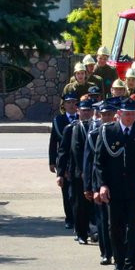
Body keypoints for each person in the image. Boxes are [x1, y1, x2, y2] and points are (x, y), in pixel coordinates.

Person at [95, 99, 135, 270]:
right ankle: (119, 263)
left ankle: (131, 266)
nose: (129, 117)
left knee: (134, 228)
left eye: (132, 114)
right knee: (116, 227)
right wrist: (102, 184)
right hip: (114, 189)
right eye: (126, 114)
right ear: (119, 114)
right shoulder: (108, 131)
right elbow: (99, 162)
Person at [56, 98, 96, 245]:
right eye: (84, 110)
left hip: (93, 173)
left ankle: (94, 230)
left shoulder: (96, 128)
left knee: (93, 204)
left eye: (89, 110)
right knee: (78, 205)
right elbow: (63, 152)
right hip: (76, 174)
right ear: (78, 111)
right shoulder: (71, 128)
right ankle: (81, 233)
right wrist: (60, 173)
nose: (86, 113)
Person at [85, 99, 118, 266]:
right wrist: (90, 187)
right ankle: (106, 252)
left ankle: (119, 251)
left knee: (118, 222)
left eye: (109, 115)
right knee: (103, 221)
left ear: (115, 116)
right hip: (99, 184)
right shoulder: (94, 134)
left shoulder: (118, 132)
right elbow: (90, 163)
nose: (106, 117)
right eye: (103, 115)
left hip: (117, 184)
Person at [49, 93, 79, 229]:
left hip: (78, 161)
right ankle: (69, 218)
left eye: (74, 102)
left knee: (78, 192)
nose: (72, 105)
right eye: (69, 103)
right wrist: (52, 161)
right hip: (64, 160)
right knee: (66, 191)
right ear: (64, 105)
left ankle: (79, 218)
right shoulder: (58, 120)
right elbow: (53, 142)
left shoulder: (82, 117)